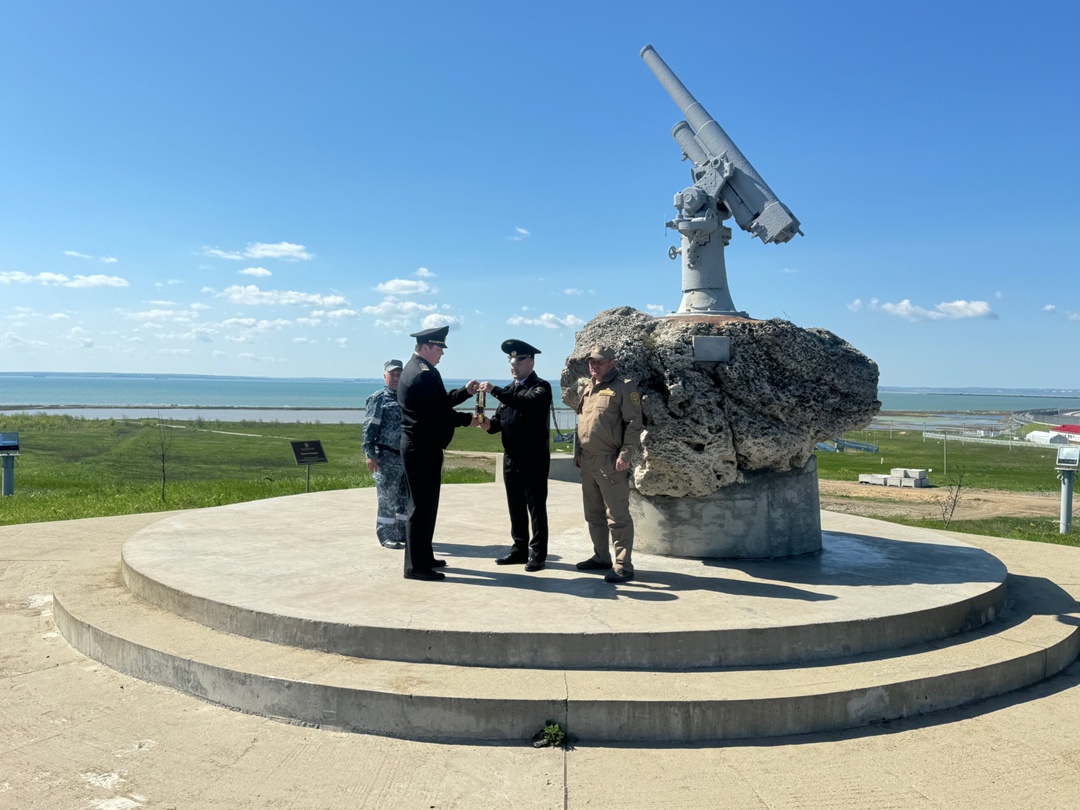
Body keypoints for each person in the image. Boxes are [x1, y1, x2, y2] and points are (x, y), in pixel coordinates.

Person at [397, 325, 482, 581]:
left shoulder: (422, 370)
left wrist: (465, 393)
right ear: (425, 348)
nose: (442, 353)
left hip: (424, 448)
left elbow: (439, 401)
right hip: (420, 449)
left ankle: (424, 556)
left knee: (427, 506)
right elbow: (437, 414)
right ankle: (415, 567)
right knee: (420, 508)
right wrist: (469, 420)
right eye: (438, 348)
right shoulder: (420, 374)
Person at [480, 339, 552, 572]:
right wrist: (485, 424)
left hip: (533, 458)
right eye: (511, 362)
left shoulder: (540, 387)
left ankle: (538, 554)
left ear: (530, 362)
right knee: (515, 505)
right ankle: (519, 549)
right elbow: (499, 423)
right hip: (511, 457)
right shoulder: (510, 390)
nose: (513, 366)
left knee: (536, 507)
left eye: (518, 362)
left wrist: (495, 390)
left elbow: (526, 404)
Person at [573, 344, 643, 583]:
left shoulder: (623, 387)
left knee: (618, 516)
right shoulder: (588, 388)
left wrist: (626, 455)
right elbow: (581, 421)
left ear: (612, 363)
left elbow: (634, 423)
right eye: (591, 361)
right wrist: (577, 452)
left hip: (610, 461)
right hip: (588, 460)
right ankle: (601, 557)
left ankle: (623, 564)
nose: (594, 365)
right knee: (593, 515)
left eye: (600, 362)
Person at [362, 359, 407, 549]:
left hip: (405, 457)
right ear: (385, 376)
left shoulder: (407, 396)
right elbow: (369, 428)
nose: (396, 378)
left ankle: (402, 532)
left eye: (399, 374)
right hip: (386, 457)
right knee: (387, 498)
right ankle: (386, 534)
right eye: (392, 374)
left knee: (404, 498)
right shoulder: (378, 398)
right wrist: (369, 453)